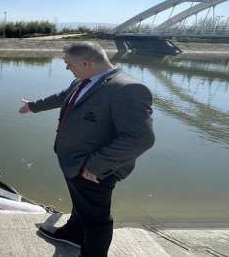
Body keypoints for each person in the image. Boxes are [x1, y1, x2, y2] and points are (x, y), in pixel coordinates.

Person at [19, 42, 155, 257]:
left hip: (95, 170)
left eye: (68, 64)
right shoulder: (83, 80)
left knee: (96, 219)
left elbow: (140, 138)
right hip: (73, 161)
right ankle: (73, 234)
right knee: (81, 204)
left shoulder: (127, 89)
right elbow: (62, 97)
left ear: (85, 62)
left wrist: (95, 165)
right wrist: (33, 106)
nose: (66, 68)